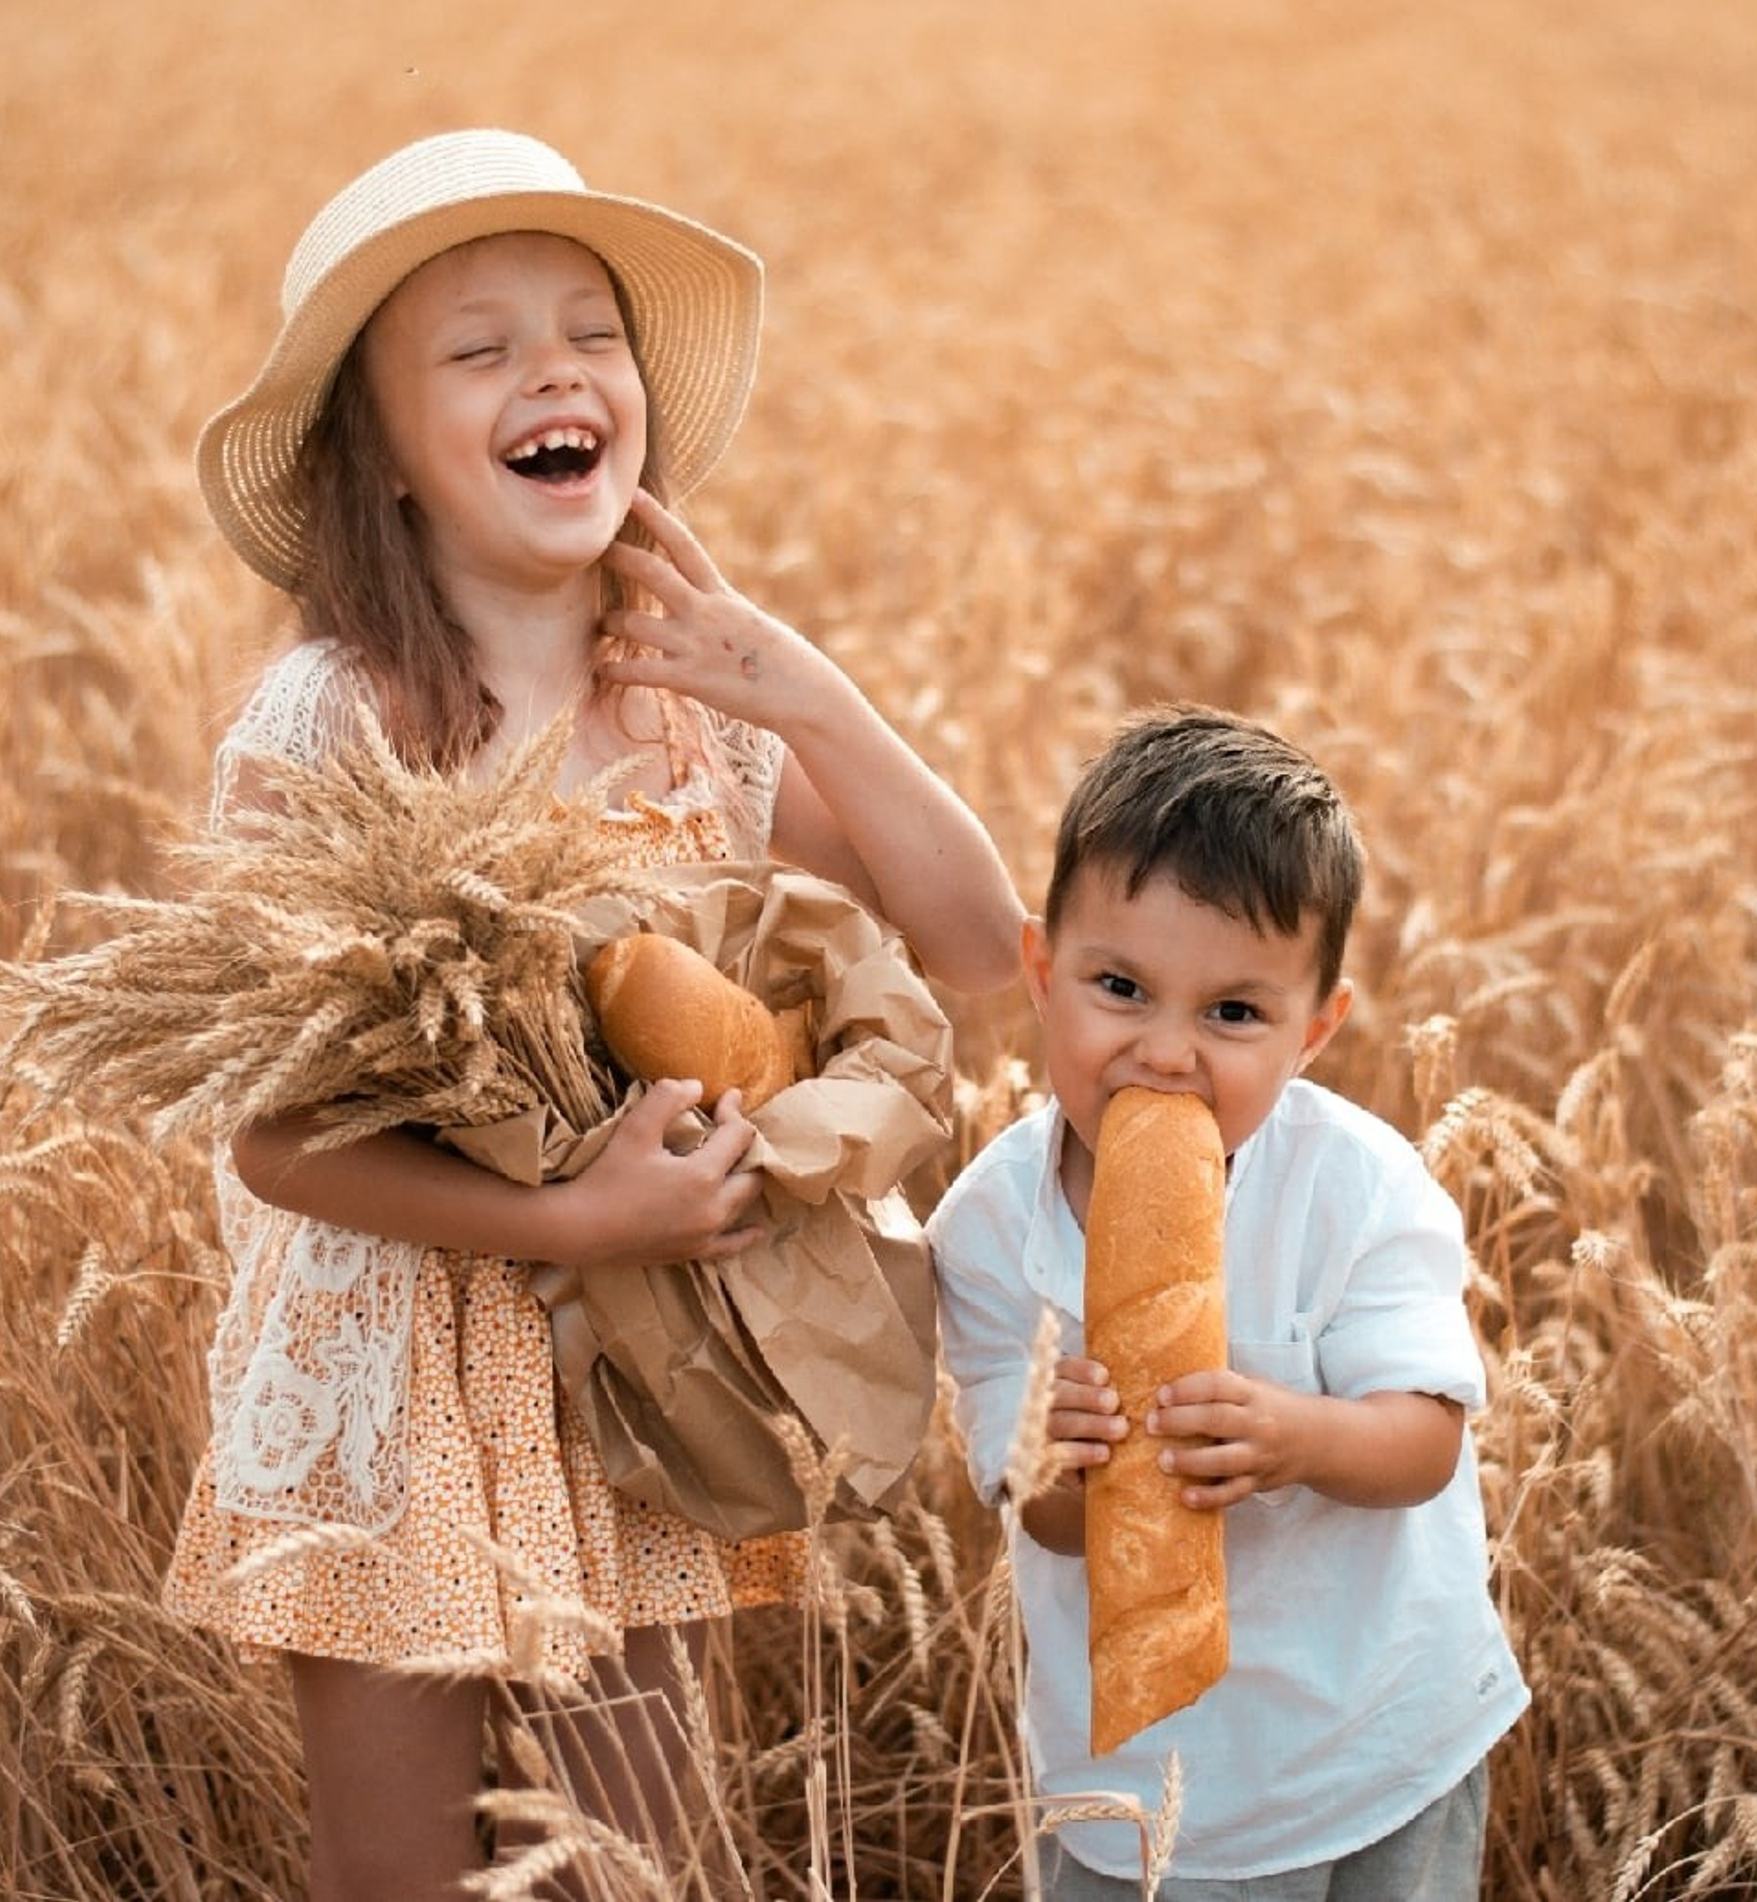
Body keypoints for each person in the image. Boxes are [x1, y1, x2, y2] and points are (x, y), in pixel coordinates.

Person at [161, 128, 1024, 1900]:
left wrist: (816, 694)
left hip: (635, 1378)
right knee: (393, 1872)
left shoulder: (696, 716)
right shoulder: (329, 726)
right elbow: (277, 1134)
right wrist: (570, 1212)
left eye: (590, 333)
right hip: (387, 1379)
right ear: (381, 459)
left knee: (641, 1865)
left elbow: (979, 939)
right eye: (478, 350)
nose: (553, 370)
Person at [929, 704, 1528, 1899]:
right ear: (1044, 972)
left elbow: (1425, 1440)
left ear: (1316, 1032)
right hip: (1146, 1784)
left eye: (1233, 1013)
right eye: (1120, 987)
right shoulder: (990, 1228)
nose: (1166, 1050)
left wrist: (1299, 1435)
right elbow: (1022, 1505)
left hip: (1380, 1739)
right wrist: (1065, 1469)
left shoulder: (1355, 1187)